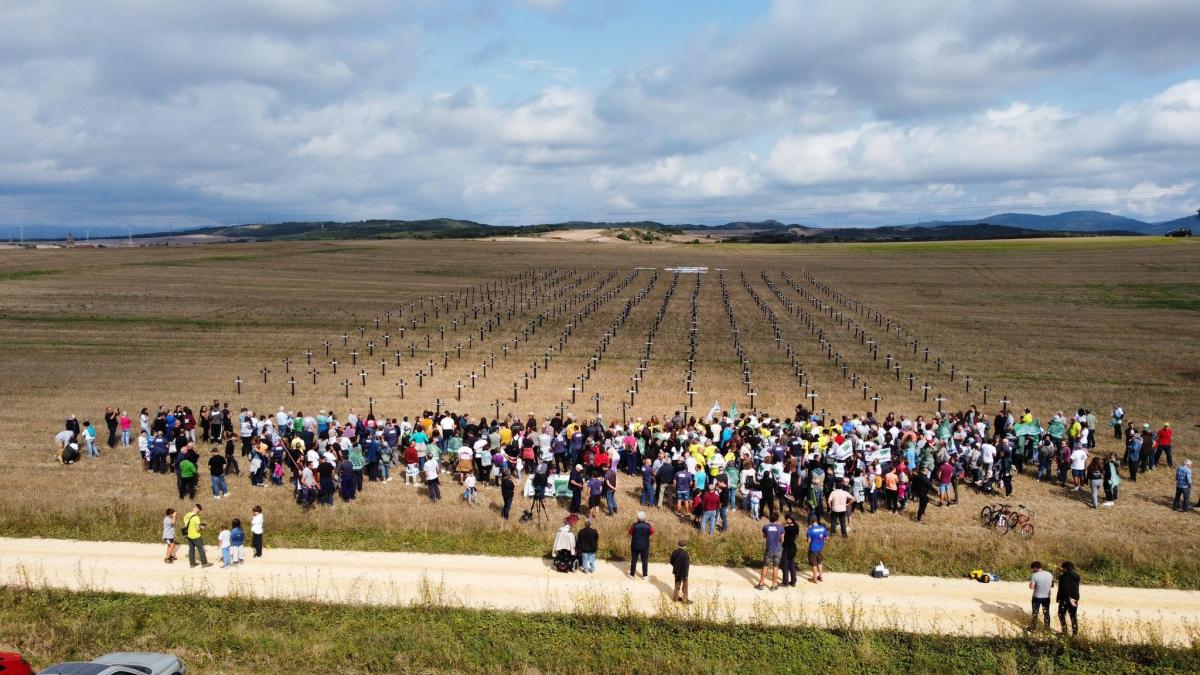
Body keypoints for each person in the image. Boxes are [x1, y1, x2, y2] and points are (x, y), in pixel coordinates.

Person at [756, 512, 783, 590]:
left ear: (769, 518)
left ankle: (761, 584)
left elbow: (764, 536)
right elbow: (782, 540)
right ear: (777, 519)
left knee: (765, 566)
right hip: (778, 549)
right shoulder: (781, 528)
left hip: (769, 549)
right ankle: (774, 585)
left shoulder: (766, 527)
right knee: (775, 567)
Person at [182, 504, 212, 568]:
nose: (199, 511)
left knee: (191, 549)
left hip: (188, 535)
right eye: (199, 510)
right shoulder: (196, 518)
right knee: (201, 549)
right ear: (198, 509)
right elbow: (197, 529)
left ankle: (192, 564)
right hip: (196, 536)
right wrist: (202, 527)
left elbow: (185, 525)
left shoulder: (187, 515)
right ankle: (204, 563)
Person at [1056, 561, 1081, 636]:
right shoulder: (1076, 576)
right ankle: (1075, 633)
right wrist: (1065, 571)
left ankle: (1064, 631)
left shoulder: (1062, 577)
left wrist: (1058, 598)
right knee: (1073, 616)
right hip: (1075, 598)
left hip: (1065, 599)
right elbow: (1070, 576)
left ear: (1065, 569)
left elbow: (1062, 589)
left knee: (1061, 614)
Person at [1028, 560, 1054, 630]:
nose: (1032, 570)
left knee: (1035, 613)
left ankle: (1033, 628)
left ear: (1035, 568)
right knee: (1046, 612)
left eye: (1032, 569)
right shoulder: (1049, 574)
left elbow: (1031, 587)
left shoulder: (1034, 575)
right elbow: (1052, 585)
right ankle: (1047, 628)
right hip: (1047, 597)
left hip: (1037, 597)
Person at [627, 511, 654, 579]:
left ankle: (632, 575)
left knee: (634, 560)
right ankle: (645, 575)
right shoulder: (648, 526)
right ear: (645, 518)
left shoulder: (634, 525)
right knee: (644, 561)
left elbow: (630, 532)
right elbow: (652, 532)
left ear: (638, 518)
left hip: (635, 545)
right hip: (645, 546)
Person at [805, 514, 828, 583]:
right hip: (820, 547)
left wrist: (807, 540)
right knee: (819, 562)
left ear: (811, 521)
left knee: (814, 564)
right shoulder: (822, 528)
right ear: (817, 520)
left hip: (813, 548)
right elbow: (826, 537)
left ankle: (814, 579)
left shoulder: (810, 530)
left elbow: (808, 541)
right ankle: (820, 576)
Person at [780, 513, 800, 587]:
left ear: (789, 519)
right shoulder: (796, 527)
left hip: (786, 548)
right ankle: (793, 581)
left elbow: (779, 527)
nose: (785, 519)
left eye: (786, 518)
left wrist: (784, 523)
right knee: (792, 565)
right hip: (793, 548)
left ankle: (785, 582)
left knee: (785, 565)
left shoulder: (786, 529)